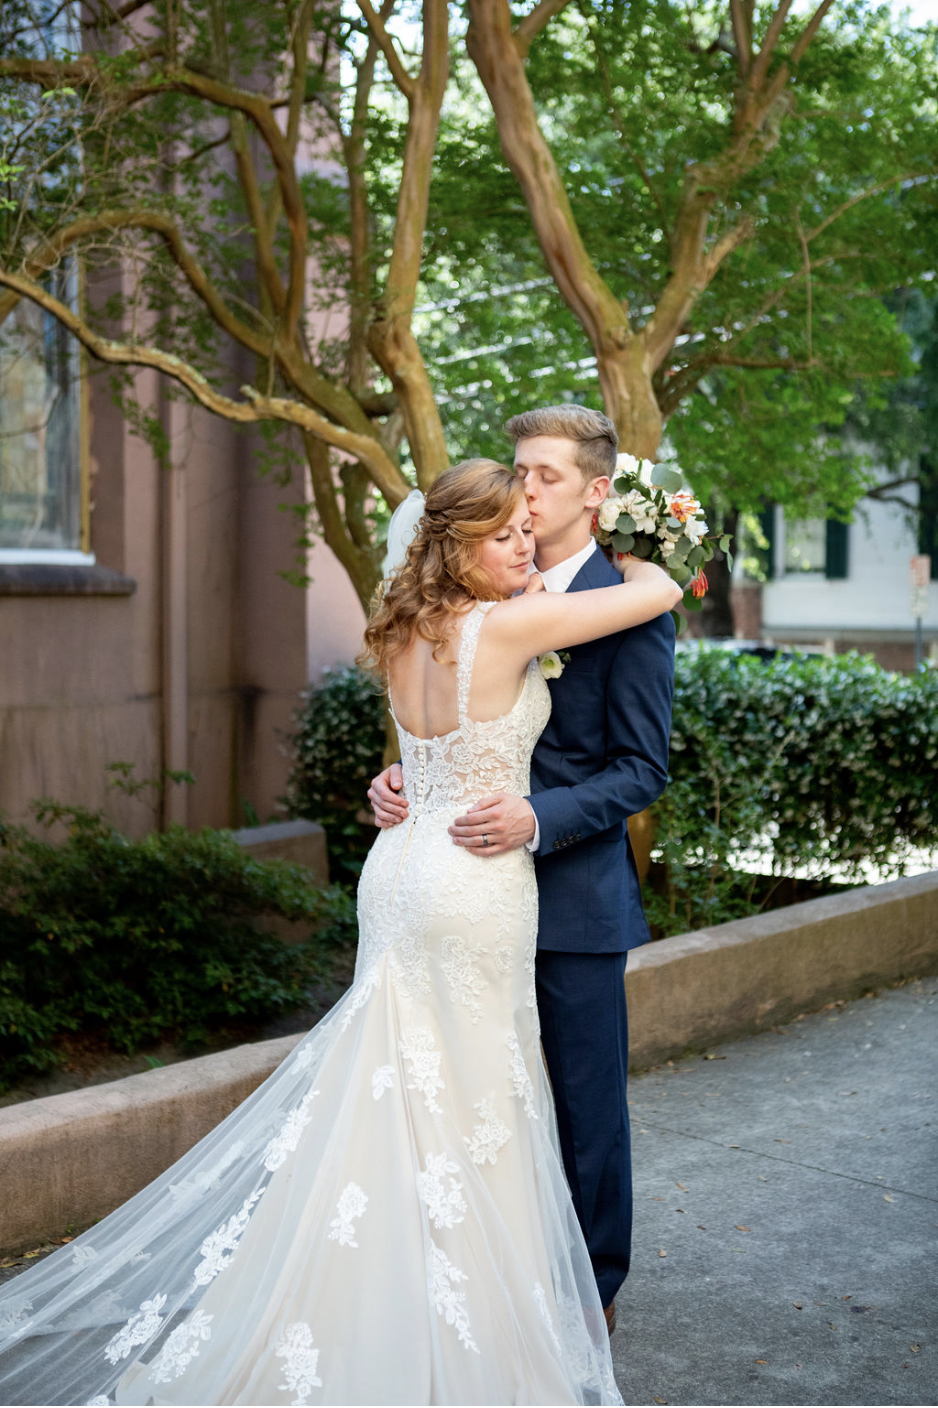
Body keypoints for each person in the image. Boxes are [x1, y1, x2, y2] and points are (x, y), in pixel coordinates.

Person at [0, 458, 680, 1407]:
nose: (525, 545)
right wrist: (634, 538)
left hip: (402, 871)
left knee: (398, 1092)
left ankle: (377, 1292)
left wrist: (400, 778)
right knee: (481, 1098)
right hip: (472, 882)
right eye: (505, 534)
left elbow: (422, 757)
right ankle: (474, 1330)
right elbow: (654, 592)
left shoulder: (406, 628)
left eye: (529, 529)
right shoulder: (512, 624)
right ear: (455, 546)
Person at [370, 408, 677, 1336]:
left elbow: (641, 766)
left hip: (573, 895)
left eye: (544, 475)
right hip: (459, 888)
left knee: (584, 1107)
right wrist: (401, 778)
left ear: (596, 492)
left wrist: (540, 817)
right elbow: (444, 728)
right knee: (464, 1090)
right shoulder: (487, 587)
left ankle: (592, 1292)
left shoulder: (617, 601)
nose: (527, 492)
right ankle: (468, 1275)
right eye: (518, 471)